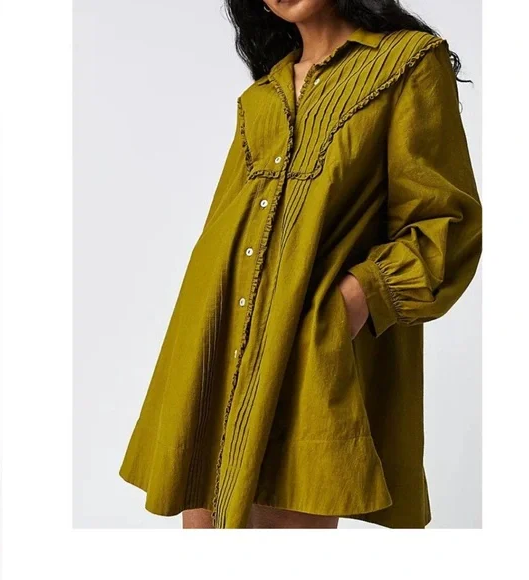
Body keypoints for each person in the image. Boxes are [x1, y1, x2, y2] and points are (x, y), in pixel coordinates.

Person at [119, 0, 483, 529]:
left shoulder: (407, 62)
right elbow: (225, 220)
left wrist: (355, 300)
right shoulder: (261, 96)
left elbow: (444, 224)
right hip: (216, 341)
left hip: (306, 344)